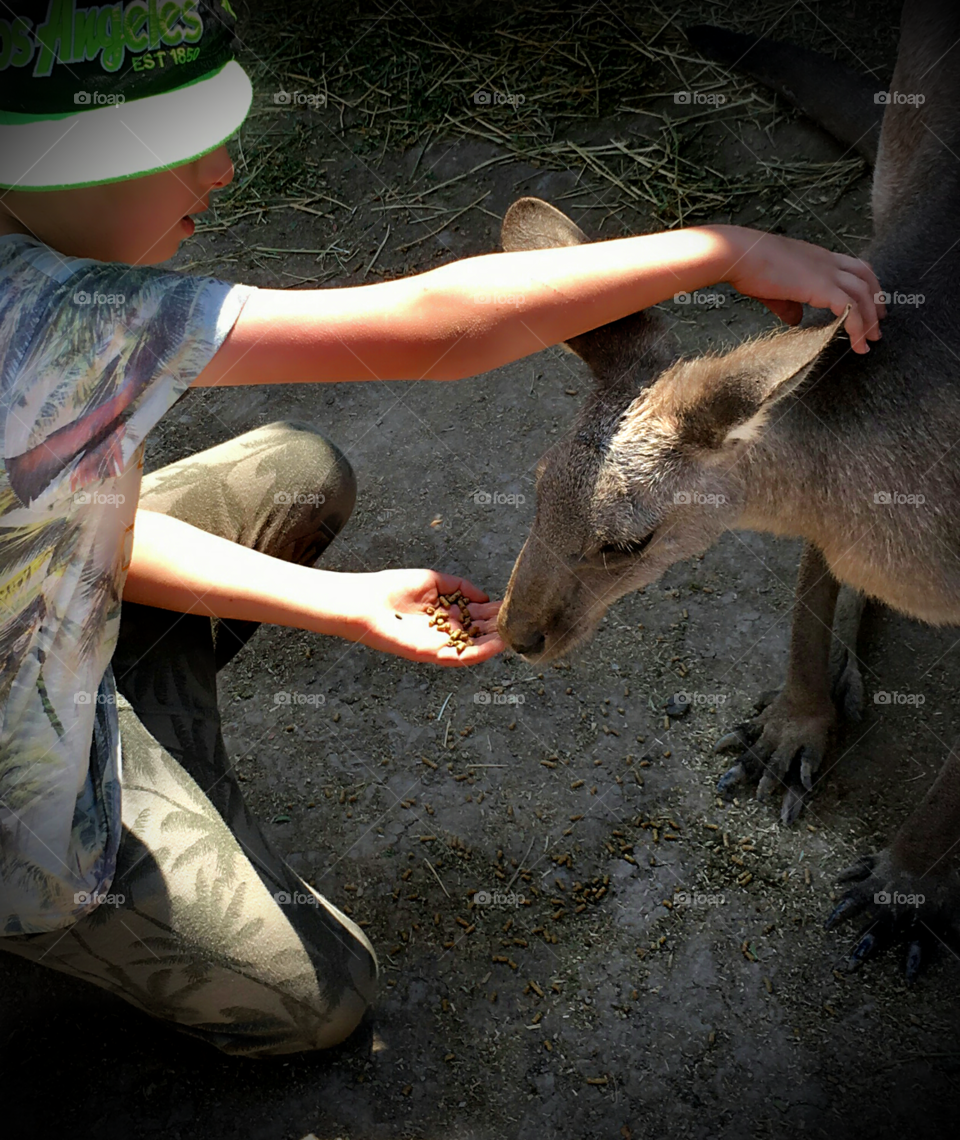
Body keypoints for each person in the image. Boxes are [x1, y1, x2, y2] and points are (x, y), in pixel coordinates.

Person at [0, 1, 884, 1057]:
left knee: (297, 473)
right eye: (168, 150)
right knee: (319, 997)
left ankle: (127, 714)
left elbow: (55, 528)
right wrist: (725, 250)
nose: (224, 172)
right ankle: (109, 826)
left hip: (39, 620)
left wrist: (337, 601)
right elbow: (436, 329)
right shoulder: (66, 321)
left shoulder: (47, 288)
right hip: (28, 795)